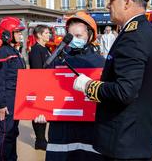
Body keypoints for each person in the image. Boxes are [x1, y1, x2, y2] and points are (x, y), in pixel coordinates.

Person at [73, 0, 152, 160]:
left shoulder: (133, 37)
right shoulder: (148, 31)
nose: (107, 5)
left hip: (124, 142)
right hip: (137, 139)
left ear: (127, 2)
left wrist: (88, 86)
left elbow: (125, 91)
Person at [35, 12, 105, 161]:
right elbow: (45, 90)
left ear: (90, 35)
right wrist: (42, 111)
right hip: (61, 131)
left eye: (79, 36)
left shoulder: (100, 63)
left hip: (90, 131)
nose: (74, 40)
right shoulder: (57, 60)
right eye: (71, 36)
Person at [0, 16, 26, 161]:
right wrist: (1, 104)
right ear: (7, 35)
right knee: (6, 133)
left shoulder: (14, 51)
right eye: (17, 32)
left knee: (13, 132)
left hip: (15, 98)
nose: (20, 35)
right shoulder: (3, 53)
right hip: (7, 98)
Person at [28, 25, 51, 150]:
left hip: (47, 85)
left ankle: (42, 139)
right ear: (39, 35)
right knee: (38, 113)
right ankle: (40, 140)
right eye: (46, 33)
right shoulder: (36, 50)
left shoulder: (45, 48)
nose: (49, 35)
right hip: (39, 86)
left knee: (44, 113)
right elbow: (37, 70)